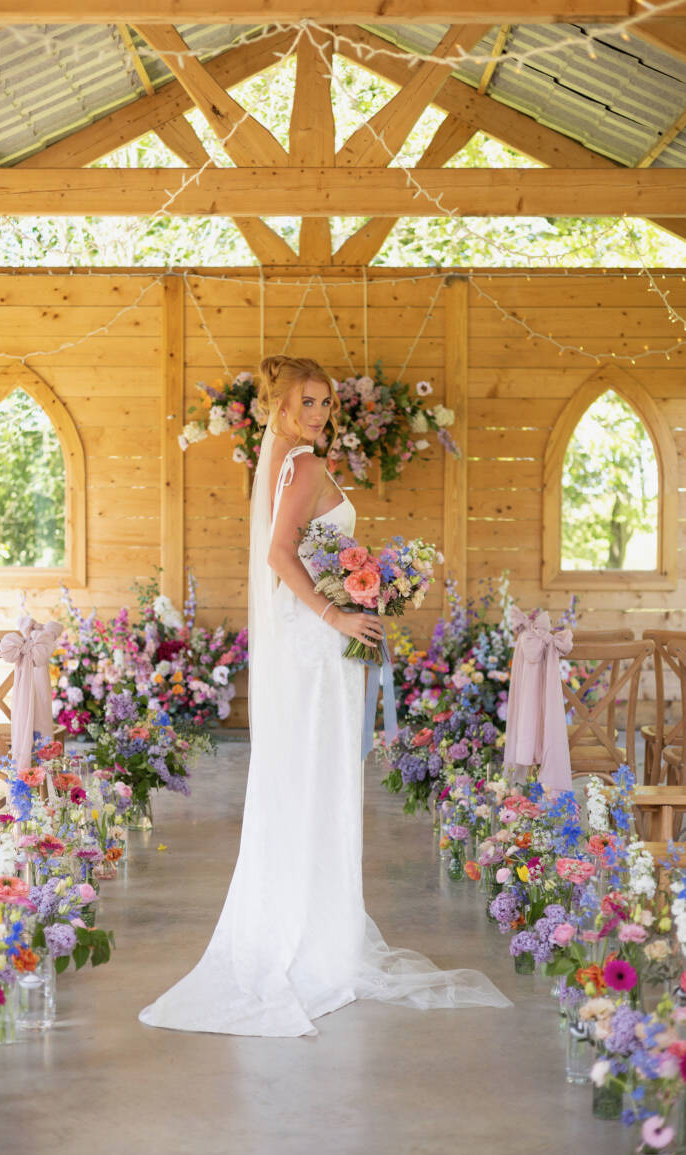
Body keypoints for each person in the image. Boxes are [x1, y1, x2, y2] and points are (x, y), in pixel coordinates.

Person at [139, 354, 510, 1037]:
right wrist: (340, 613)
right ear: (279, 408)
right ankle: (318, 942)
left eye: (325, 403)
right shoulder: (302, 467)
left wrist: (367, 581)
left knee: (310, 780)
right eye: (307, 402)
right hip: (316, 644)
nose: (319, 413)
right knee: (319, 779)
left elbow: (297, 556)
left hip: (310, 642)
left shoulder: (287, 464)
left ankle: (313, 926)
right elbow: (281, 556)